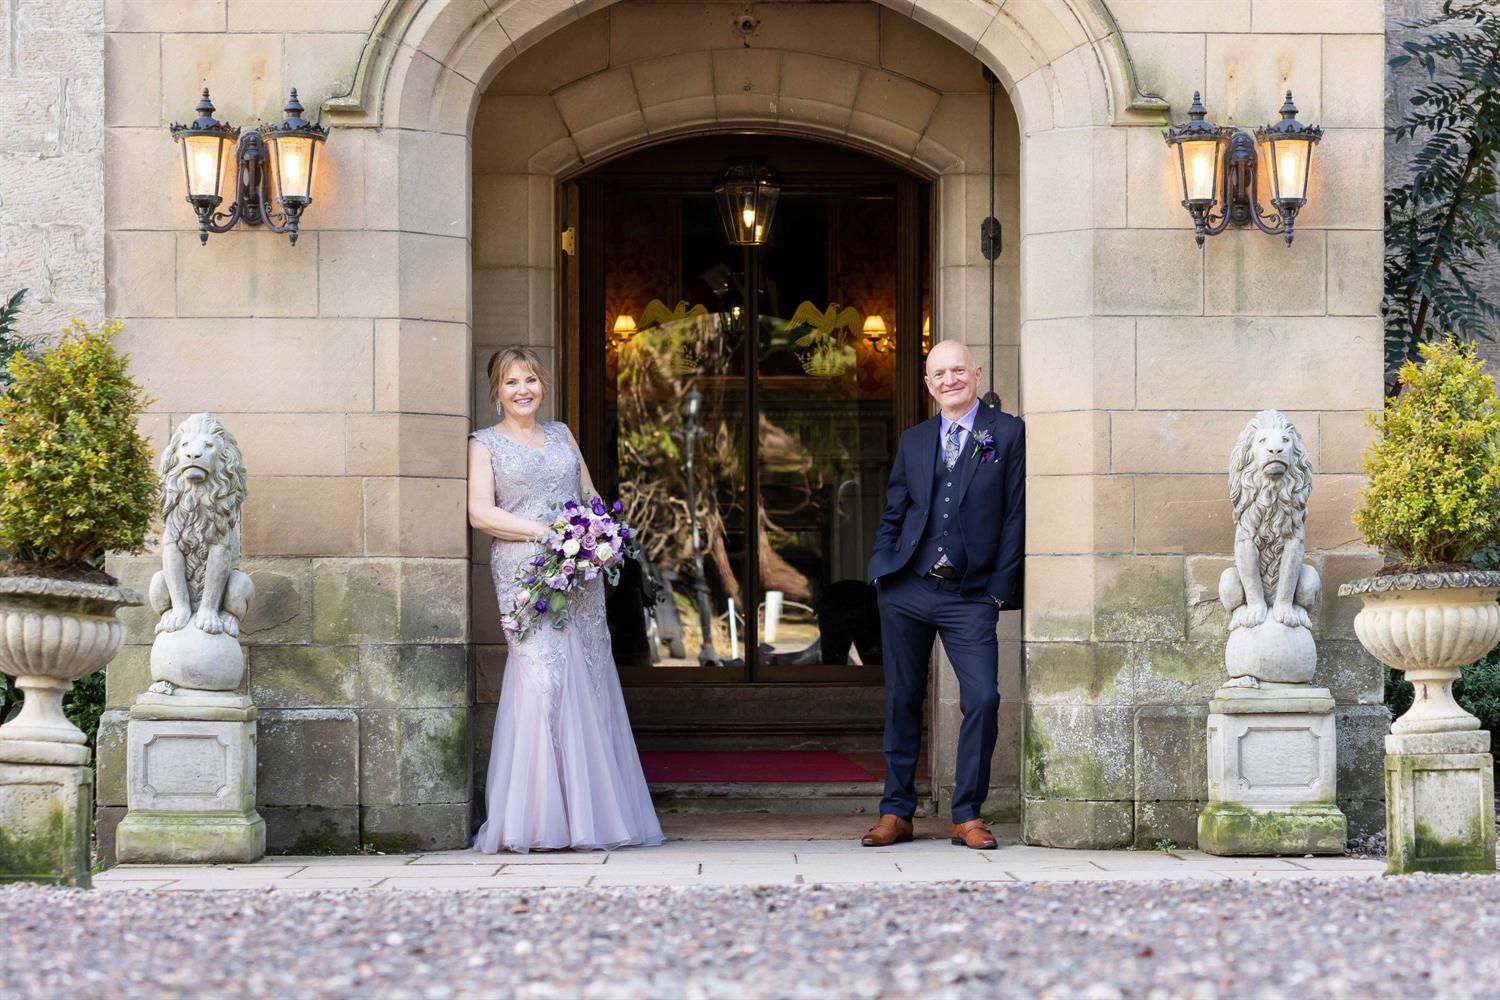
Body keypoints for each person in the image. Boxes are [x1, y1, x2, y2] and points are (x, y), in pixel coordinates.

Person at [467, 345, 663, 853]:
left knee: (590, 676)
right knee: (543, 681)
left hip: (581, 573)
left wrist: (600, 532)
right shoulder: (483, 444)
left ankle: (590, 819)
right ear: (496, 391)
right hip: (525, 572)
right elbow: (480, 514)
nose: (523, 390)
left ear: (543, 385)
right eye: (512, 382)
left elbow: (591, 494)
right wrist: (548, 533)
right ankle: (536, 822)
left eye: (530, 380)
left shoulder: (562, 435)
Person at [863, 339, 1025, 850]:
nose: (949, 379)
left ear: (976, 375)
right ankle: (897, 813)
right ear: (928, 383)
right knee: (903, 701)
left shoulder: (1007, 432)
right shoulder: (914, 440)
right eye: (939, 373)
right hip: (907, 587)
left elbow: (1015, 515)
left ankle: (967, 814)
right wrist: (881, 569)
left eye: (958, 370)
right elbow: (894, 511)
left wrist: (999, 592)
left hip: (970, 594)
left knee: (983, 697)